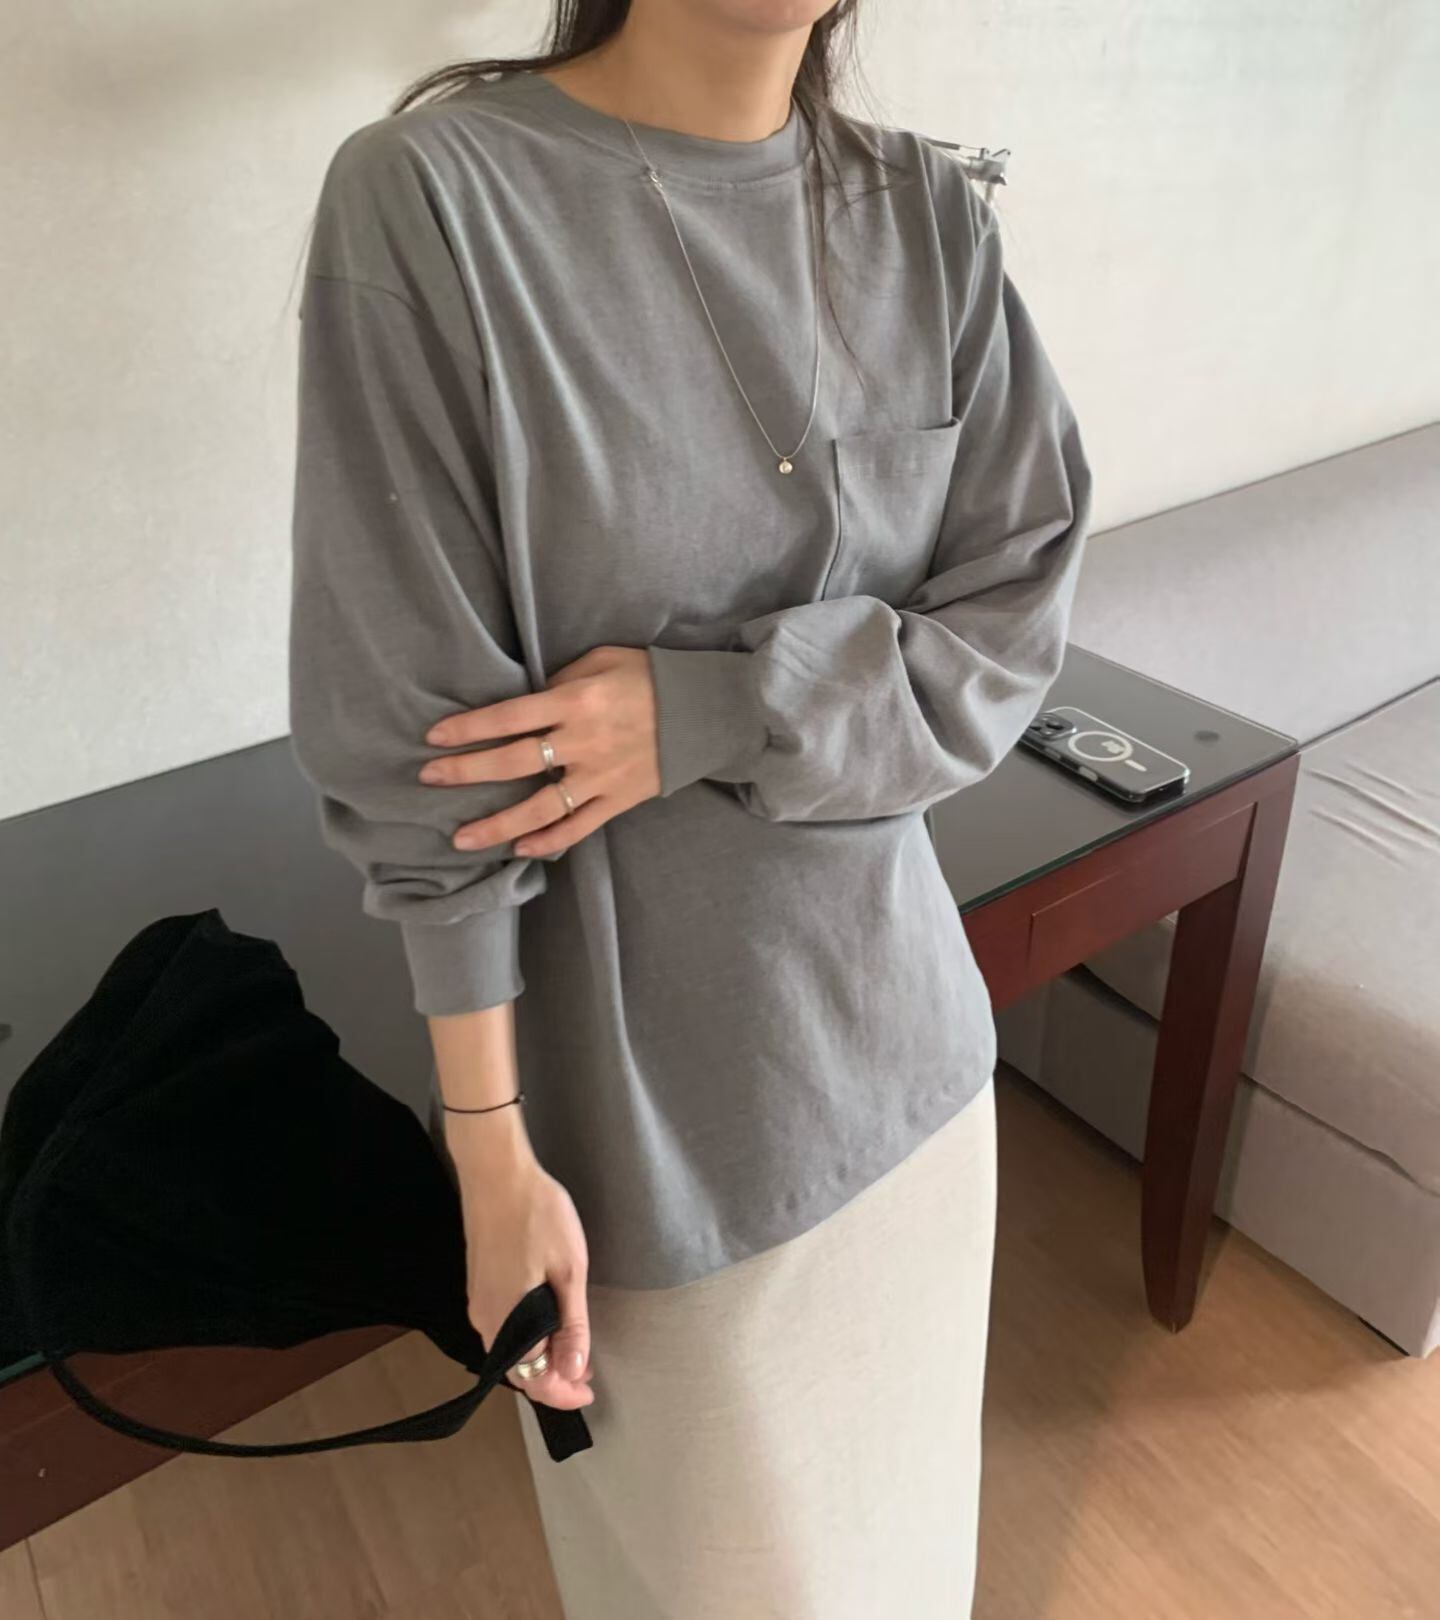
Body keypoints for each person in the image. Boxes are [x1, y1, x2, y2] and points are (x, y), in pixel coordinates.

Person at [288, 3, 1093, 1614]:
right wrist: (489, 1155)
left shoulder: (928, 215)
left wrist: (715, 704)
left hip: (917, 1072)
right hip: (653, 1144)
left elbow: (1010, 628)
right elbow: (423, 748)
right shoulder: (435, 198)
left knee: (911, 1575)